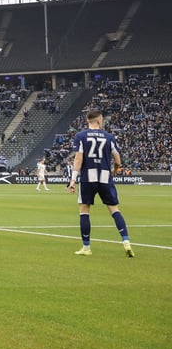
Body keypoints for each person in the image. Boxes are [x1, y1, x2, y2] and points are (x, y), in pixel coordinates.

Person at [68, 110, 133, 257]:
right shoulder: (109, 137)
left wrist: (73, 179)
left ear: (88, 121)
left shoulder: (81, 136)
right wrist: (114, 171)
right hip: (105, 177)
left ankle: (86, 247)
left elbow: (78, 159)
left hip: (87, 178)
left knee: (84, 210)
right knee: (114, 210)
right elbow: (118, 160)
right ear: (98, 120)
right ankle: (126, 241)